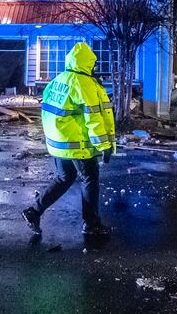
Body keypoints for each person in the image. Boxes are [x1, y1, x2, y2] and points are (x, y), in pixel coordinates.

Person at [21, 42, 115, 236]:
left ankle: (34, 211)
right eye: (93, 64)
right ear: (87, 63)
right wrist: (104, 145)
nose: (95, 67)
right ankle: (91, 224)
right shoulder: (84, 84)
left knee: (64, 178)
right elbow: (93, 118)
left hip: (59, 144)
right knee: (89, 179)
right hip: (78, 144)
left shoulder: (58, 80)